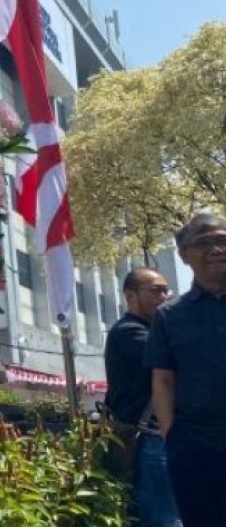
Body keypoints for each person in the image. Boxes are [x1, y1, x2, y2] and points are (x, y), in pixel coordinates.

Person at [146, 213, 226, 526]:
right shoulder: (169, 316)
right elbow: (163, 380)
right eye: (205, 242)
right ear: (184, 255)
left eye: (222, 241)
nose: (217, 249)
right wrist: (172, 437)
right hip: (196, 448)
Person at [104, 267, 179, 526]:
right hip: (149, 440)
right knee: (164, 519)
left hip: (163, 438)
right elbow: (178, 359)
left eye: (166, 290)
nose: (164, 296)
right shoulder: (129, 332)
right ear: (130, 296)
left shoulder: (155, 332)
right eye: (156, 290)